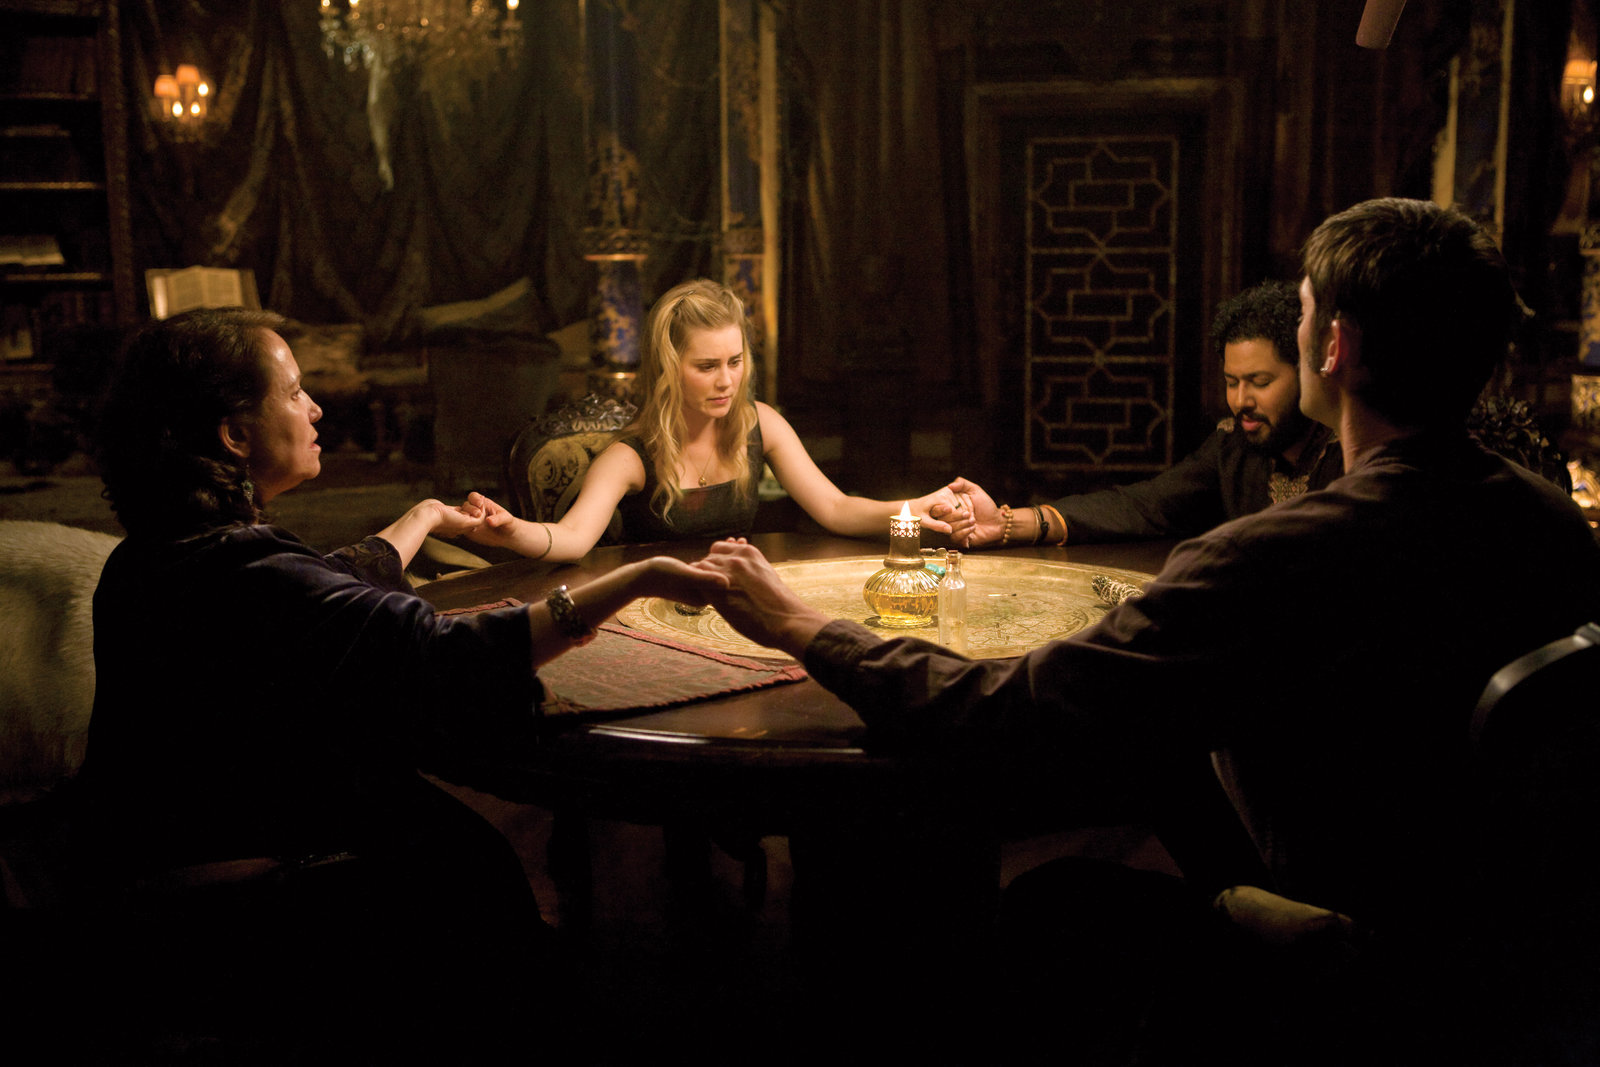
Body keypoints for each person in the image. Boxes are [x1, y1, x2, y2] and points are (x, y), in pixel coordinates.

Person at [694, 200, 1600, 1060]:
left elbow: (1004, 709)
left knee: (1049, 905)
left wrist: (801, 623)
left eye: (1301, 318)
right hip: (1508, 959)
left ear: (1336, 347)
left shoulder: (1281, 553)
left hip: (1359, 968)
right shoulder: (1552, 524)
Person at [70, 308, 727, 1059]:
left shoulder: (158, 553)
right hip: (249, 908)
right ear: (235, 435)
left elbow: (325, 586)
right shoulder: (244, 572)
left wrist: (421, 520)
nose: (316, 409)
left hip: (153, 871)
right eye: (294, 391)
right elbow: (443, 654)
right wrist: (635, 579)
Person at [464, 278, 973, 560]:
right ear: (670, 370)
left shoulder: (759, 424)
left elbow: (836, 508)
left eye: (735, 362)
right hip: (654, 613)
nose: (727, 381)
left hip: (734, 600)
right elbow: (572, 538)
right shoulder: (630, 456)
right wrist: (511, 530)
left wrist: (915, 507)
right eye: (707, 366)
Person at [940, 280, 1343, 547]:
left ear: (1306, 372)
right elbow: (1146, 505)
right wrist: (1007, 524)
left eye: (1259, 382)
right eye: (1231, 382)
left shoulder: (1347, 458)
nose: (1240, 401)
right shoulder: (1234, 444)